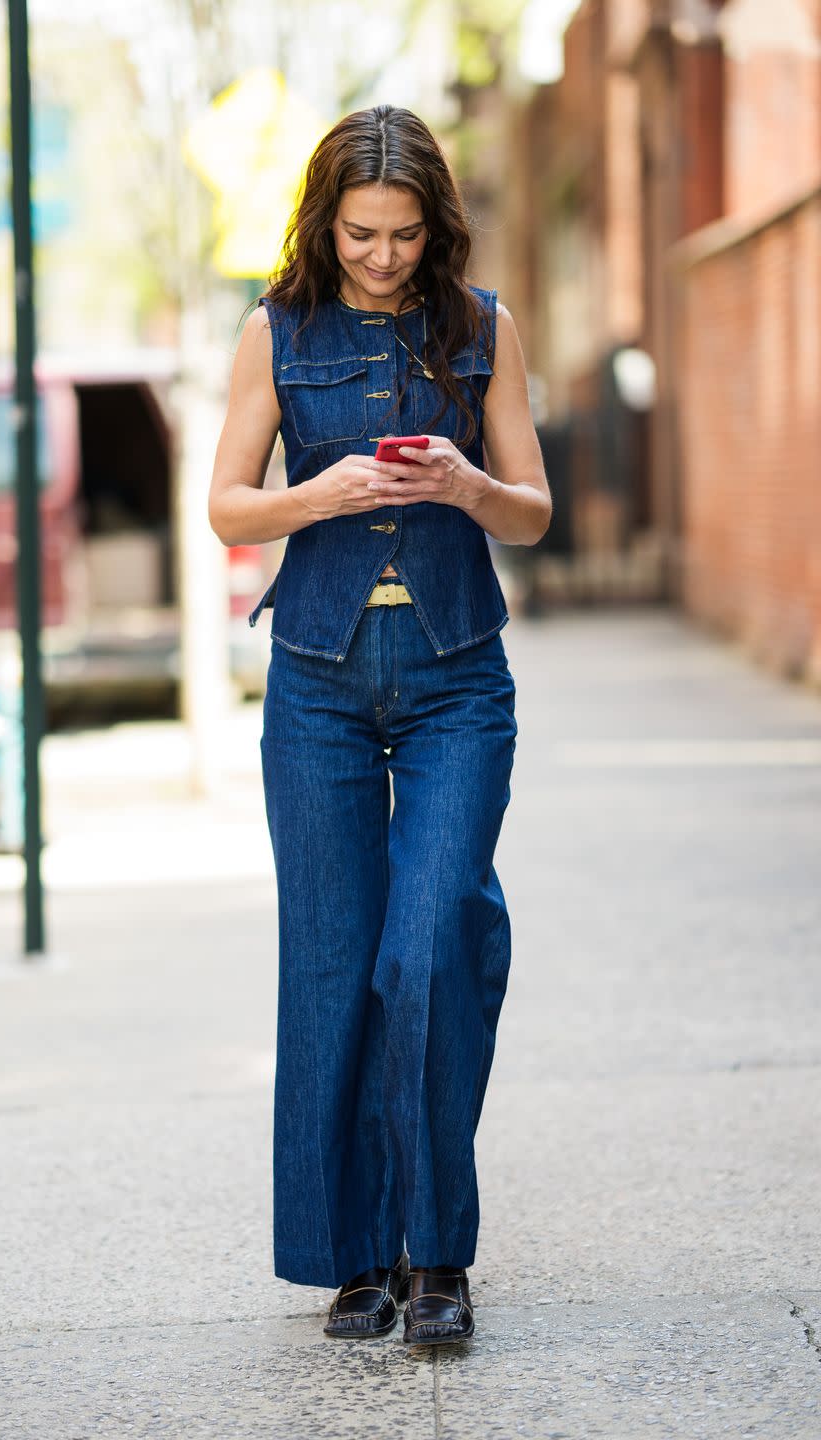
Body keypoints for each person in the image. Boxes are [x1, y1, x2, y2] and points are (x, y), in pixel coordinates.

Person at [208, 104, 551, 1347]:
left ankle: (440, 1255)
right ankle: (357, 1258)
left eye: (405, 235)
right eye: (361, 233)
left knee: (432, 946)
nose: (384, 257)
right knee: (335, 966)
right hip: (319, 685)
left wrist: (465, 480)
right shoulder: (274, 330)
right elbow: (229, 510)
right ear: (325, 219)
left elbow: (532, 513)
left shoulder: (482, 327)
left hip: (459, 678)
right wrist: (321, 492)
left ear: (435, 227)